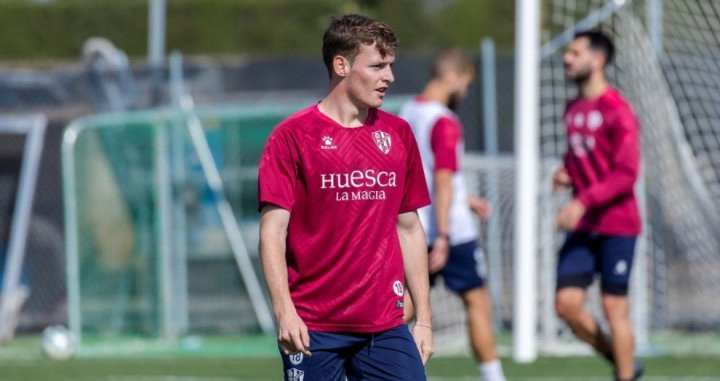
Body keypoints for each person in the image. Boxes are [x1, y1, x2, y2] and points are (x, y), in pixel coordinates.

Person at [257, 14, 434, 381]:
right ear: (341, 65)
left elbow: (409, 228)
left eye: (390, 66)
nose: (390, 77)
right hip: (313, 326)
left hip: (385, 325)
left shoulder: (398, 133)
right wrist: (283, 311)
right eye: (378, 66)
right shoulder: (292, 136)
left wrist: (425, 321)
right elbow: (273, 232)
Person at [399, 49, 506, 381]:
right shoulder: (444, 121)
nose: (466, 91)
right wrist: (443, 235)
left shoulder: (408, 112)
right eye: (466, 84)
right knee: (477, 303)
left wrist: (466, 197)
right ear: (453, 78)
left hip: (412, 221)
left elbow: (424, 173)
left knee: (403, 306)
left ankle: (358, 357)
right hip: (449, 231)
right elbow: (442, 178)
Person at [554, 30, 644, 381]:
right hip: (584, 225)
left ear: (597, 60)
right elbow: (582, 159)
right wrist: (566, 174)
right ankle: (623, 361)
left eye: (575, 52)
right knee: (567, 306)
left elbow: (626, 173)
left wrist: (583, 200)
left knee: (613, 308)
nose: (567, 58)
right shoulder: (572, 108)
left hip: (617, 225)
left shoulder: (618, 111)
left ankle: (625, 375)